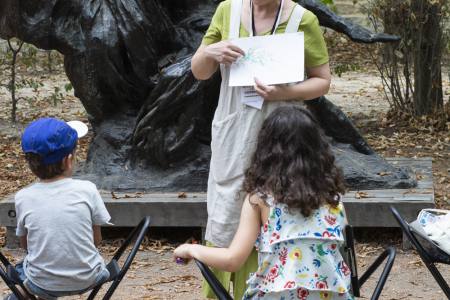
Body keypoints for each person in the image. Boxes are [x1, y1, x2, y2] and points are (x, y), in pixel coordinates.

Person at [192, 0, 331, 297]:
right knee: (225, 210)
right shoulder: (227, 11)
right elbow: (200, 72)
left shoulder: (302, 19)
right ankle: (215, 290)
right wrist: (209, 53)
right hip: (234, 131)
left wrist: (284, 92)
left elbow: (322, 81)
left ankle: (262, 290)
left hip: (282, 137)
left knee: (274, 207)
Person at [174, 107, 352, 299]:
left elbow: (233, 260)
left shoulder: (261, 199)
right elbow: (341, 255)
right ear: (318, 147)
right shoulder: (334, 200)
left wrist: (190, 249)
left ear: (267, 150)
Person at [6, 118, 111, 300]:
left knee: (24, 269)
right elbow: (96, 239)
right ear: (69, 160)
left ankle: (21, 295)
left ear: (31, 163)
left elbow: (26, 245)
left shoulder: (23, 197)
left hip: (41, 284)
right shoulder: (87, 189)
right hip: (90, 278)